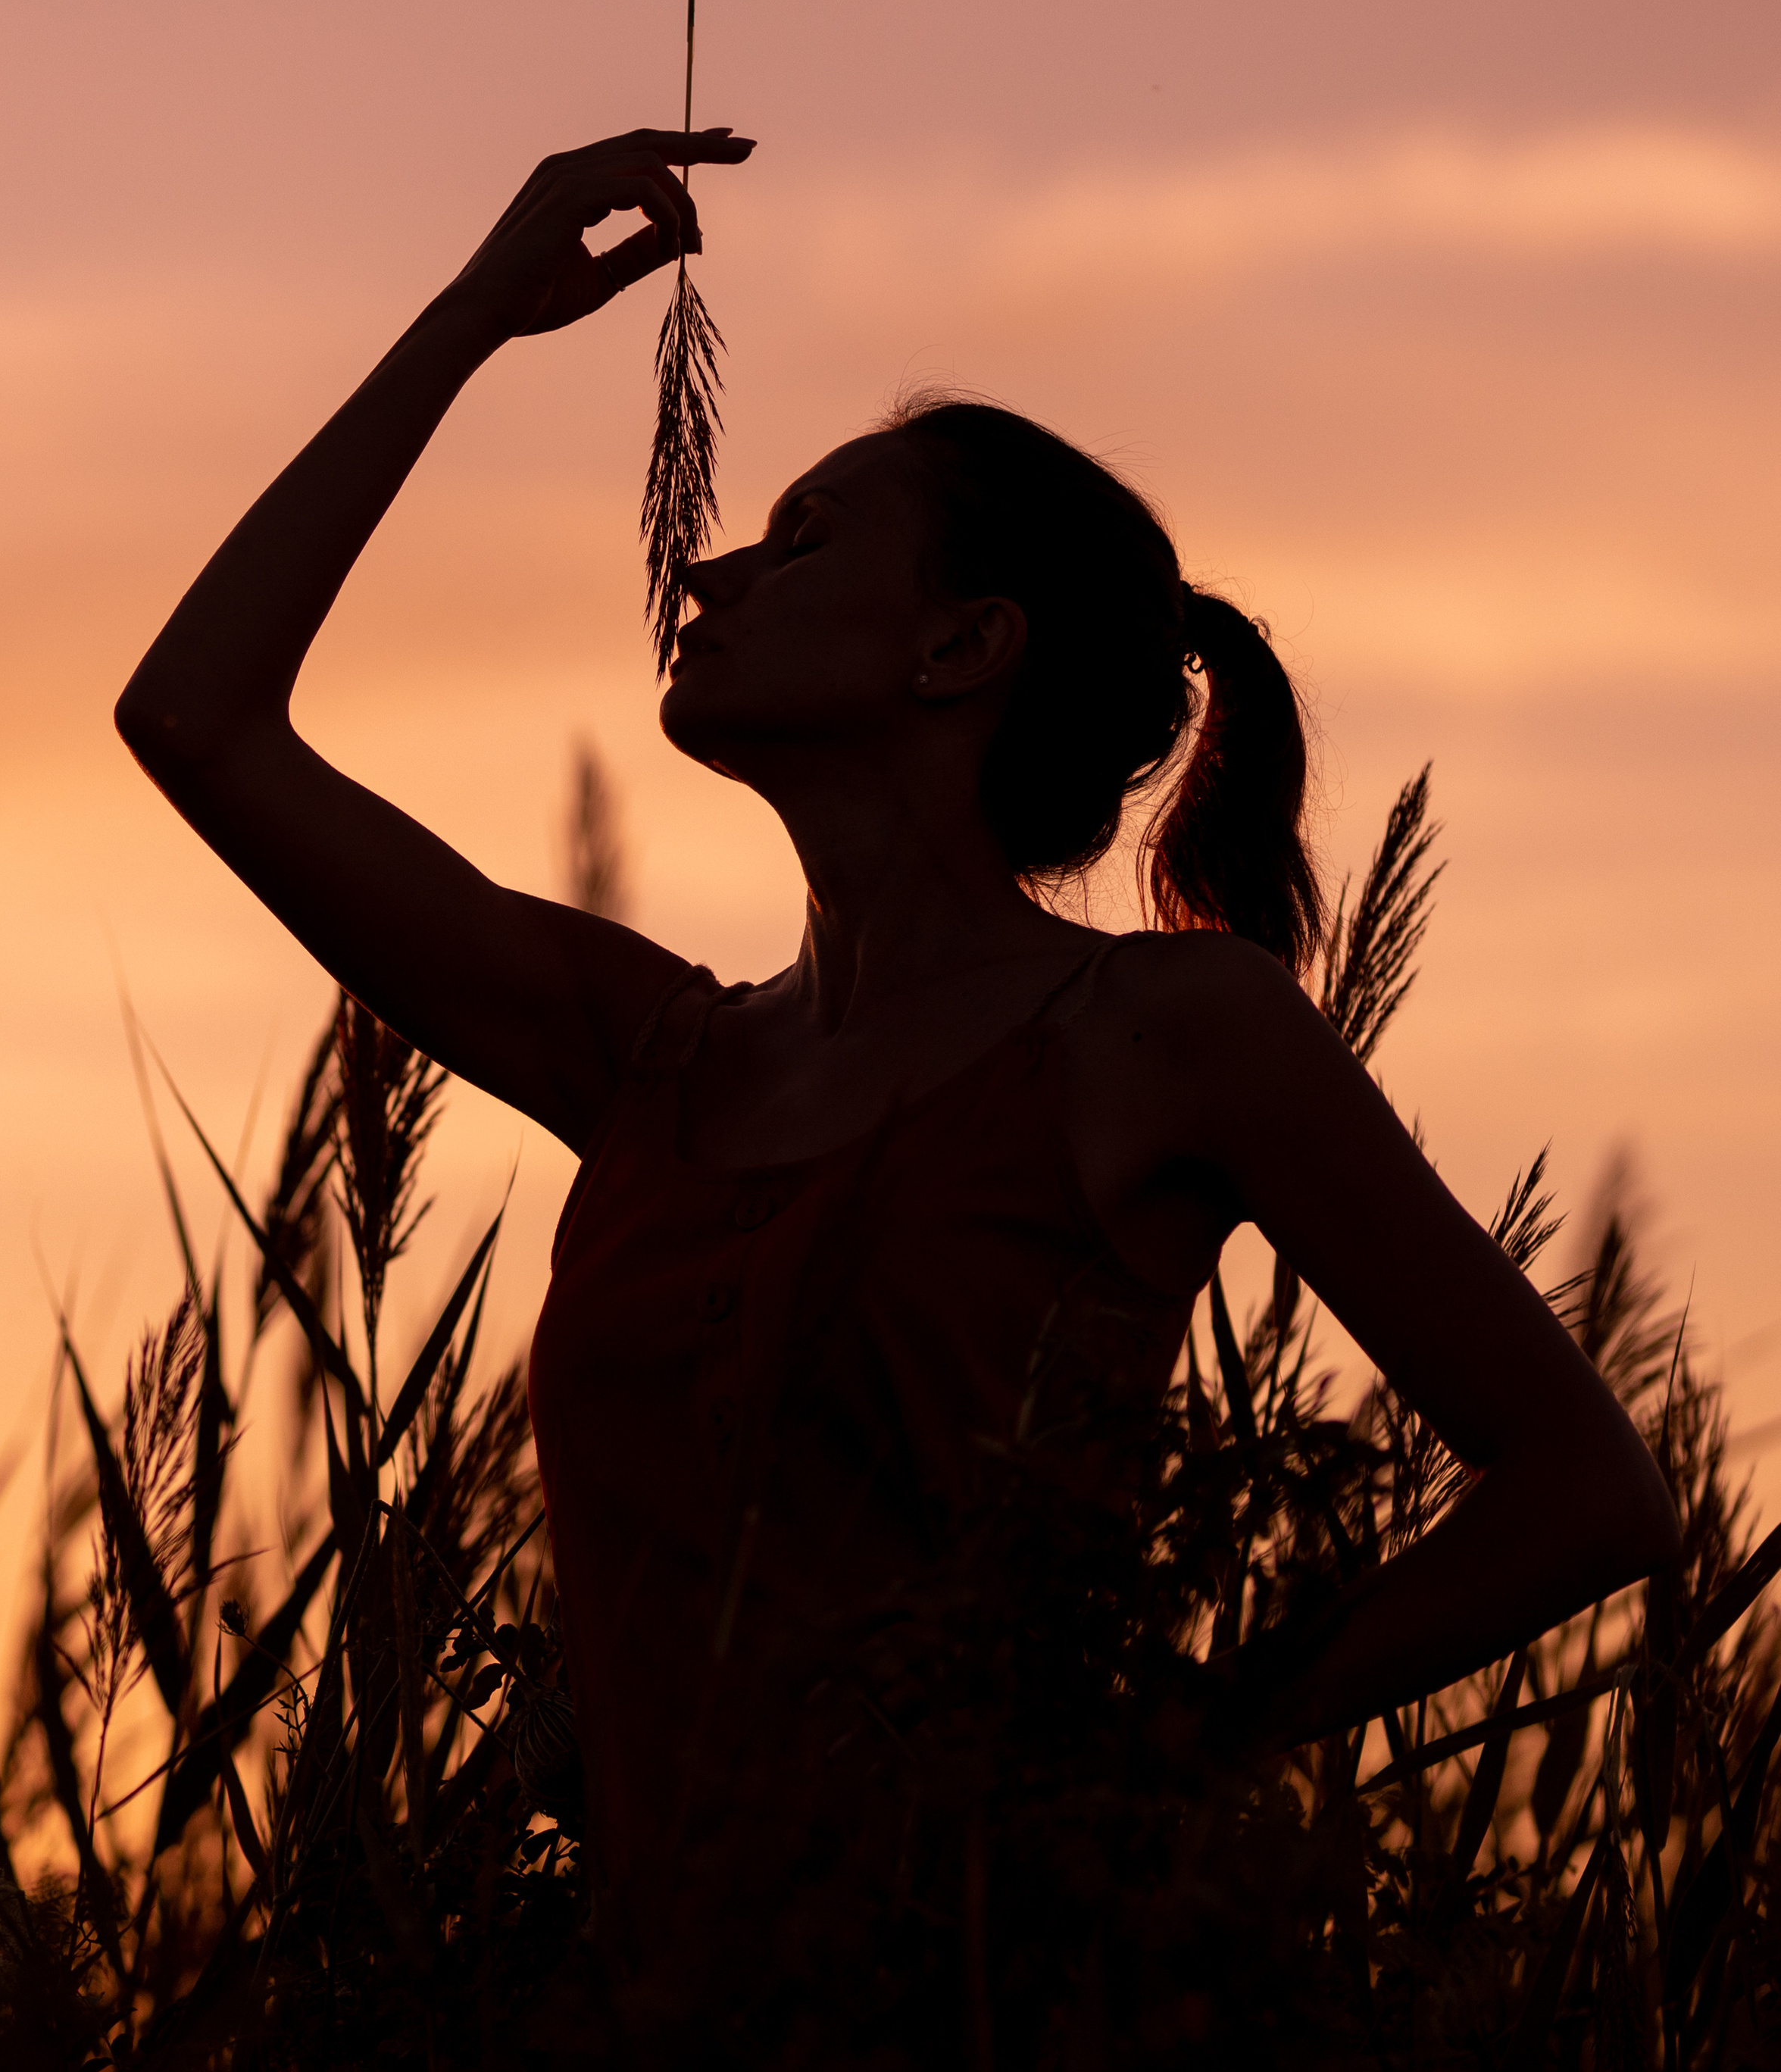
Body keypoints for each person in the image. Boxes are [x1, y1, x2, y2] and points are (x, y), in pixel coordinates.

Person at [116, 127, 1678, 1970]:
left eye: (803, 538)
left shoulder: (1162, 1034)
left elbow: (1586, 1489)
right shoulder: (647, 1058)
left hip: (988, 2061)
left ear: (960, 649)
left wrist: (1171, 1757)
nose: (708, 575)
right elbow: (198, 720)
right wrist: (468, 321)